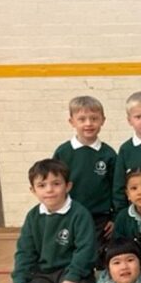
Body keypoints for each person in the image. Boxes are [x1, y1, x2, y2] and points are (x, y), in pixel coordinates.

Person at [6, 159, 96, 283]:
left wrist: (72, 277)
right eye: (42, 185)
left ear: (68, 186)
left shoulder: (79, 214)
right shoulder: (33, 217)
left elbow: (85, 250)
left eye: (56, 183)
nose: (49, 190)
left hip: (72, 271)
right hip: (44, 273)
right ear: (33, 190)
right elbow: (24, 253)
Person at [52, 95, 116, 267]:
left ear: (103, 120)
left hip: (100, 218)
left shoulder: (109, 154)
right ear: (71, 122)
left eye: (94, 119)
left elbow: (116, 187)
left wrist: (114, 216)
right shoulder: (63, 152)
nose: (88, 123)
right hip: (70, 214)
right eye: (82, 119)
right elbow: (55, 184)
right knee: (73, 252)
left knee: (98, 255)